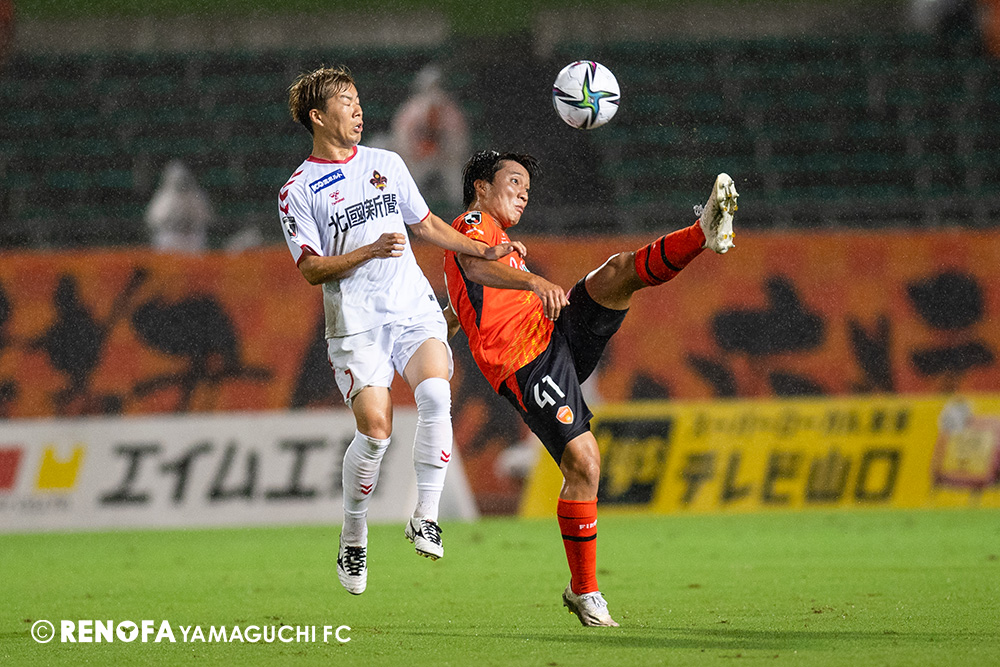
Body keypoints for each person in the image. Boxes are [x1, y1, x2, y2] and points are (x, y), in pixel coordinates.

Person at [442, 150, 738, 626]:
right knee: (584, 463)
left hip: (551, 332)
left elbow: (466, 300)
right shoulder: (472, 225)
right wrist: (533, 280)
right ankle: (584, 590)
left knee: (618, 271)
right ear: (480, 187)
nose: (523, 193)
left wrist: (445, 323)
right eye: (514, 182)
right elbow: (474, 270)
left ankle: (702, 232)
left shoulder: (500, 242)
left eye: (527, 188)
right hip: (526, 363)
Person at [279, 67, 524, 596]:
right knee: (375, 432)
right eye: (345, 101)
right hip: (356, 322)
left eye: (358, 99)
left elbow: (426, 224)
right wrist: (369, 250)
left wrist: (484, 249)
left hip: (410, 304)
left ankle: (425, 515)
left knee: (436, 393)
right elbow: (311, 269)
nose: (358, 109)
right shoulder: (297, 190)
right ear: (318, 116)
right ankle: (354, 532)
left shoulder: (386, 163)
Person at [390, 64, 469, 210]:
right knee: (408, 184)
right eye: (430, 86)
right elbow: (401, 138)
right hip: (417, 158)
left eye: (437, 85)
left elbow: (458, 139)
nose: (434, 90)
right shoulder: (411, 109)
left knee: (457, 186)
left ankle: (459, 215)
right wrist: (415, 153)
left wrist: (446, 154)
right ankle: (407, 215)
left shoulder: (449, 110)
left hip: (444, 159)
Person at [145, 159, 213, 253]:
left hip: (191, 236)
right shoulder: (164, 197)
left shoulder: (197, 196)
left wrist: (189, 224)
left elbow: (206, 219)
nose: (181, 181)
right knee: (163, 237)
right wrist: (174, 223)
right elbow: (154, 221)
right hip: (172, 235)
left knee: (199, 237)